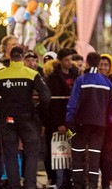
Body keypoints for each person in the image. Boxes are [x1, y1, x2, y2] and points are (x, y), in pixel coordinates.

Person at [0, 45, 52, 189]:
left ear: (9, 57)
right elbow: (46, 96)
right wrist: (39, 110)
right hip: (27, 118)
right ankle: (29, 184)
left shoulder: (1, 74)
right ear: (23, 57)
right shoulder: (31, 74)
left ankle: (14, 185)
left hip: (7, 118)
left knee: (10, 153)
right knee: (31, 152)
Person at [66, 52, 112, 189]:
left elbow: (73, 102)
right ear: (98, 63)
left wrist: (69, 120)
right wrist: (107, 121)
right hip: (100, 125)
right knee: (94, 155)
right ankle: (93, 184)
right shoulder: (107, 83)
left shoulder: (81, 80)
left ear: (86, 63)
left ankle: (78, 184)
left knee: (78, 154)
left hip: (81, 124)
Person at [47, 48, 80, 189]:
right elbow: (54, 104)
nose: (69, 62)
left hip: (73, 121)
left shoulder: (76, 74)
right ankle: (60, 181)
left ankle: (71, 179)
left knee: (73, 150)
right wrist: (59, 123)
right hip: (60, 120)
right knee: (59, 151)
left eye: (71, 59)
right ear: (60, 61)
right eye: (66, 60)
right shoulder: (54, 78)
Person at [98, 54, 112, 189]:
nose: (103, 67)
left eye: (106, 65)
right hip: (97, 124)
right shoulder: (93, 80)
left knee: (108, 155)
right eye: (101, 64)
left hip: (111, 126)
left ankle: (108, 181)